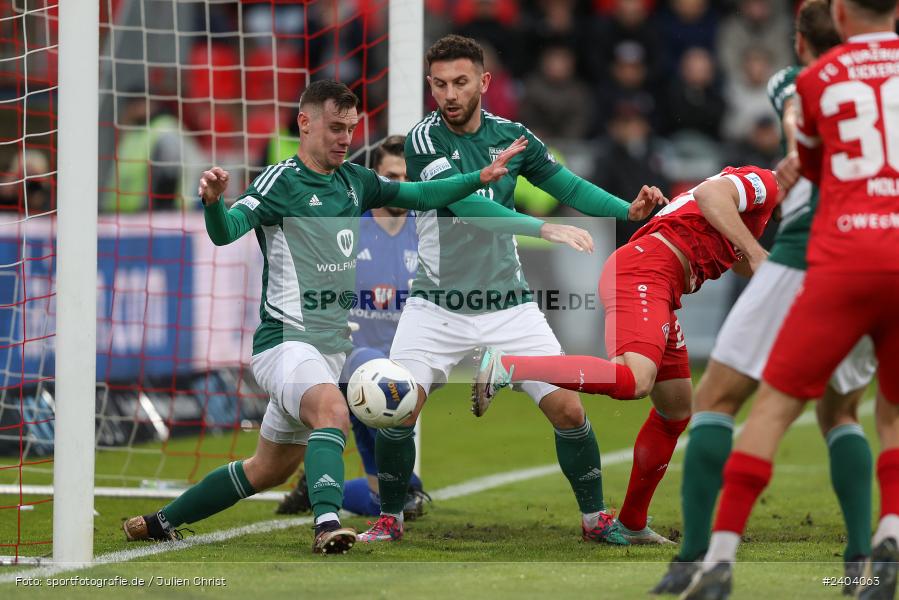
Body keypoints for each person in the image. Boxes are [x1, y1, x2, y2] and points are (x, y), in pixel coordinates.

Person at [122, 79, 529, 555]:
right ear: (305, 122)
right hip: (286, 342)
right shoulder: (280, 180)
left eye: (351, 129)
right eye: (336, 128)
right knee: (332, 411)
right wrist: (214, 203)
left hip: (329, 350)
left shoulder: (354, 182)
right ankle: (327, 525)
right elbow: (226, 232)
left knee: (267, 469)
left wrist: (476, 179)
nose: (345, 139)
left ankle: (158, 521)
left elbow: (419, 194)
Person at [357, 34, 666, 546]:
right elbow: (466, 207)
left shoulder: (513, 136)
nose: (449, 94)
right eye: (439, 85)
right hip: (437, 304)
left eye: (459, 82)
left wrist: (623, 210)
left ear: (484, 82)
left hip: (508, 304)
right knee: (399, 406)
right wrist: (542, 229)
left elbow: (564, 185)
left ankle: (596, 520)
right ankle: (391, 517)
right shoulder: (424, 141)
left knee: (568, 409)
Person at [653, 2, 877, 594]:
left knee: (719, 398)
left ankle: (696, 558)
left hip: (807, 250)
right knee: (842, 413)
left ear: (799, 43)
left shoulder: (797, 82)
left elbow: (797, 147)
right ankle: (860, 558)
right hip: (877, 256)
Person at [475, 158, 796, 544]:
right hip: (646, 273)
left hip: (658, 282)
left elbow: (734, 252)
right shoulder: (766, 183)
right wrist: (757, 253)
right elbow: (711, 195)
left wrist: (761, 258)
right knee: (634, 381)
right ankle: (508, 365)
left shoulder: (756, 208)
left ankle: (631, 521)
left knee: (676, 408)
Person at [274, 135, 431, 520]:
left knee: (402, 489)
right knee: (381, 392)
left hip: (404, 360)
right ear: (376, 177)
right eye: (392, 175)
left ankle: (320, 486)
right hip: (350, 357)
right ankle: (367, 490)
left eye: (408, 177)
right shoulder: (347, 228)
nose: (401, 184)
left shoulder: (427, 232)